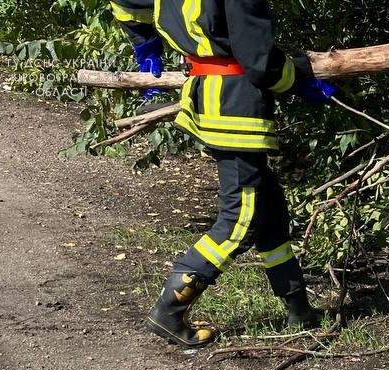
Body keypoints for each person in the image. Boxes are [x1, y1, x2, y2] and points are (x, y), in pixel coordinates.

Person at [110, 0, 334, 347]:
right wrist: (298, 79)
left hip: (209, 97)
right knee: (239, 220)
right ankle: (168, 311)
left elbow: (124, 2)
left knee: (269, 208)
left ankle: (299, 309)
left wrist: (145, 43)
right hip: (235, 104)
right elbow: (259, 60)